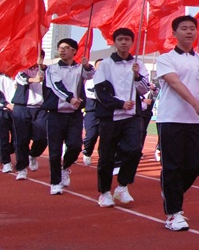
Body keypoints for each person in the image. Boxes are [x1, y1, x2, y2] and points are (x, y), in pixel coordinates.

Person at [154, 16, 199, 231]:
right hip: (171, 118)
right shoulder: (165, 59)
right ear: (174, 33)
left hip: (194, 119)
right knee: (173, 165)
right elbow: (174, 83)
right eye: (184, 28)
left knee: (197, 162)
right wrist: (196, 104)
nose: (189, 32)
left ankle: (171, 190)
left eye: (192, 28)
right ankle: (174, 213)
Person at [92, 28, 152, 208]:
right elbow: (100, 91)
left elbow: (144, 89)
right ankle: (104, 192)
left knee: (134, 150)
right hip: (111, 117)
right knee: (107, 157)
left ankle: (123, 185)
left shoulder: (138, 64)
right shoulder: (105, 65)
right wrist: (119, 104)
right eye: (120, 39)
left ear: (132, 42)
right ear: (114, 42)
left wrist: (137, 77)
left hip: (132, 116)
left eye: (127, 39)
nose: (123, 42)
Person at [42, 39, 96, 195]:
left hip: (74, 115)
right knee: (55, 150)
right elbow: (56, 87)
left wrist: (86, 66)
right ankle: (55, 182)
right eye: (60, 48)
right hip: (56, 114)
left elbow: (91, 74)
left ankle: (65, 167)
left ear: (74, 51)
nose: (62, 51)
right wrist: (70, 98)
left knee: (75, 146)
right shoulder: (52, 69)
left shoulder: (80, 69)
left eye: (66, 48)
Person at [10, 52, 48, 181]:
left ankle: (34, 154)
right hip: (22, 108)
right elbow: (23, 79)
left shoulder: (47, 70)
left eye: (38, 57)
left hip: (41, 109)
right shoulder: (20, 70)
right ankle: (21, 168)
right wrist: (35, 79)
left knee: (42, 137)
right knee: (21, 140)